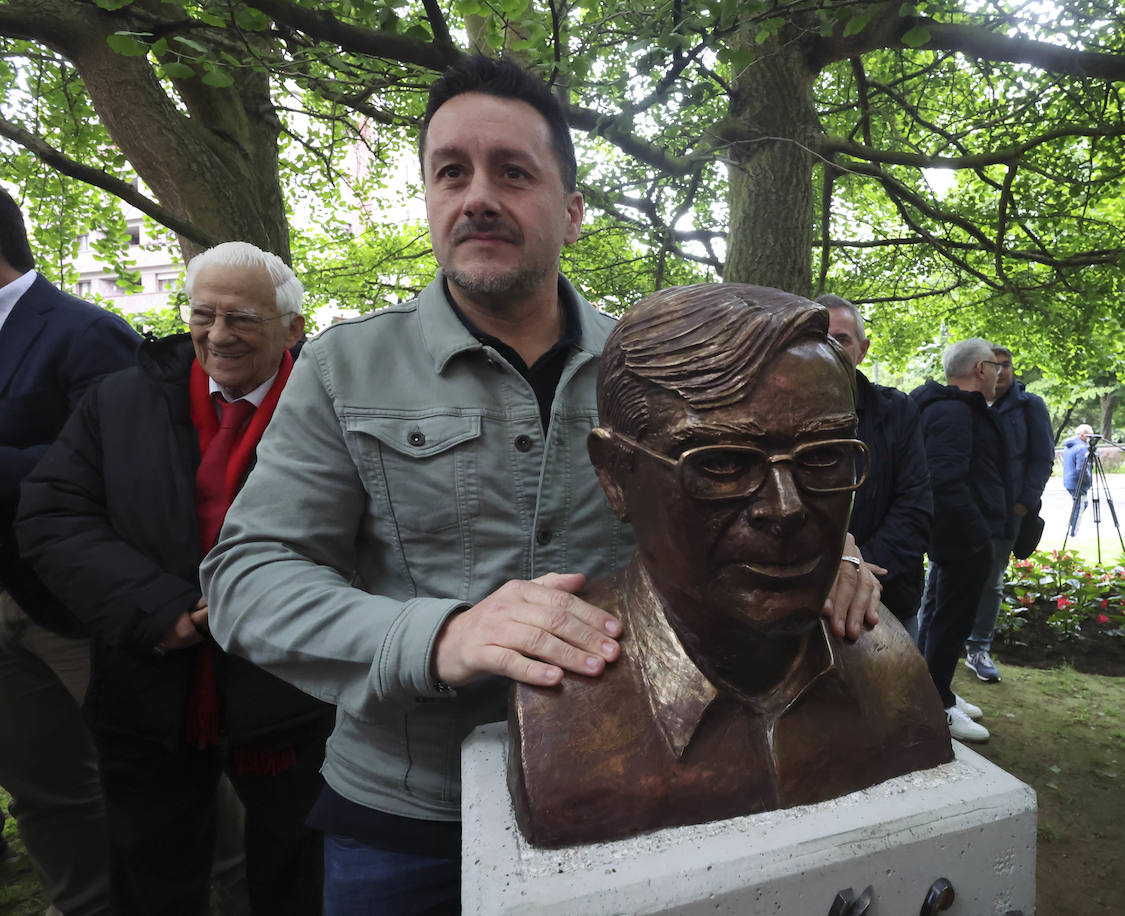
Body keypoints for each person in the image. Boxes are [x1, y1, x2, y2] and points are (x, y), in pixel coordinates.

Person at [199, 57, 878, 910]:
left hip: (631, 783)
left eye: (512, 172)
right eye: (451, 172)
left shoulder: (661, 371)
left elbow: (749, 496)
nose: (477, 195)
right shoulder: (344, 366)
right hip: (409, 812)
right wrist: (438, 638)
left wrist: (834, 550)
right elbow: (247, 580)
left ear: (573, 211)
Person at [510, 284, 951, 847]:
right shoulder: (561, 703)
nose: (786, 509)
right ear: (615, 474)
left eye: (823, 457)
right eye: (720, 464)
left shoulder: (891, 673)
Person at [16, 241, 334, 915]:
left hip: (297, 693)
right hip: (151, 683)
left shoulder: (338, 408)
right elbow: (52, 514)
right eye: (203, 314)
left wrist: (266, 602)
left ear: (292, 329)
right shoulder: (121, 399)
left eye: (242, 318)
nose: (218, 335)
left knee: (300, 878)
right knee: (154, 878)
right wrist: (158, 608)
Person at [0, 186, 139, 915]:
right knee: (43, 791)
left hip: (77, 608)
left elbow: (123, 463)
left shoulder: (85, 332)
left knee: (156, 767)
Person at [909, 338, 1011, 743]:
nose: (1001, 373)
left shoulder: (955, 410)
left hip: (956, 537)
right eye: (995, 365)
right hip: (961, 539)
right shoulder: (954, 414)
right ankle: (937, 706)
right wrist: (976, 537)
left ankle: (936, 691)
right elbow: (945, 482)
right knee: (950, 621)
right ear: (980, 370)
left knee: (939, 617)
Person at [819, 294, 932, 623]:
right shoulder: (778, 413)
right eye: (818, 338)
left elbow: (914, 505)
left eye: (841, 338)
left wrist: (855, 568)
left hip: (887, 595)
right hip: (811, 592)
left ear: (862, 349)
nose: (829, 347)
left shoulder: (897, 412)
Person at [964, 346, 1052, 683]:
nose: (1000, 373)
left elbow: (1042, 459)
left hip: (1007, 512)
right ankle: (940, 642)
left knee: (990, 580)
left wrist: (1023, 504)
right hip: (967, 507)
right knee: (943, 577)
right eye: (993, 366)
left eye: (1006, 366)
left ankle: (978, 647)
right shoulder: (967, 402)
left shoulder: (1030, 406)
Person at [1062, 423, 1093, 535]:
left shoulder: (1069, 446)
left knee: (1078, 504)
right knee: (1080, 506)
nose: (1091, 438)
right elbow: (1082, 469)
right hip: (1077, 482)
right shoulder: (1082, 448)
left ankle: (1072, 527)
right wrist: (1089, 482)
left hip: (1069, 481)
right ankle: (1073, 533)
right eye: (1089, 435)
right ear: (1082, 435)